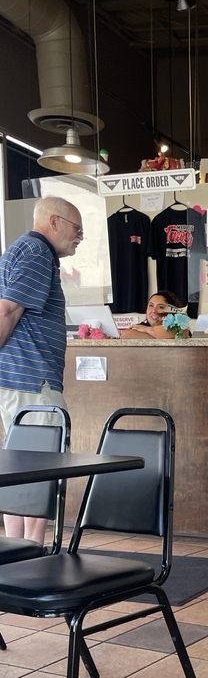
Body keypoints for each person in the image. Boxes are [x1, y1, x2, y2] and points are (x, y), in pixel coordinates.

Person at [0, 195, 83, 545]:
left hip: (20, 379)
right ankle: (32, 552)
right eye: (77, 229)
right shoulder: (36, 253)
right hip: (34, 381)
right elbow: (7, 311)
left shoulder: (21, 250)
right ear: (54, 222)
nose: (80, 237)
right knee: (42, 468)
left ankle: (16, 551)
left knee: (18, 466)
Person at [119, 291, 191, 339]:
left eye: (161, 307)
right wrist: (164, 336)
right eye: (151, 305)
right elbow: (126, 335)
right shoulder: (140, 326)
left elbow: (183, 333)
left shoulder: (180, 327)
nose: (154, 311)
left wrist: (146, 329)